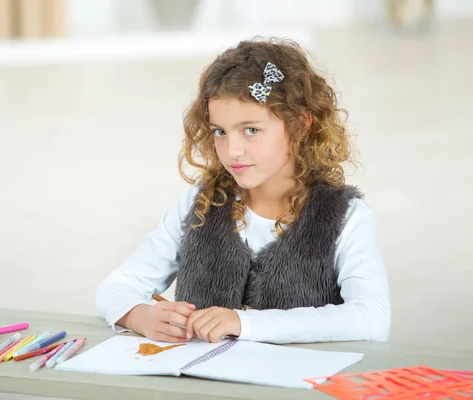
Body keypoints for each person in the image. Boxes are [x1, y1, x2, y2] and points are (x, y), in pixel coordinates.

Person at [95, 38, 391, 344]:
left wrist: (243, 322)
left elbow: (372, 318)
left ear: (300, 126)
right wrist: (139, 316)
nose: (232, 150)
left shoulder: (347, 217)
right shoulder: (200, 204)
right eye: (220, 132)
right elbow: (116, 286)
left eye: (251, 130)